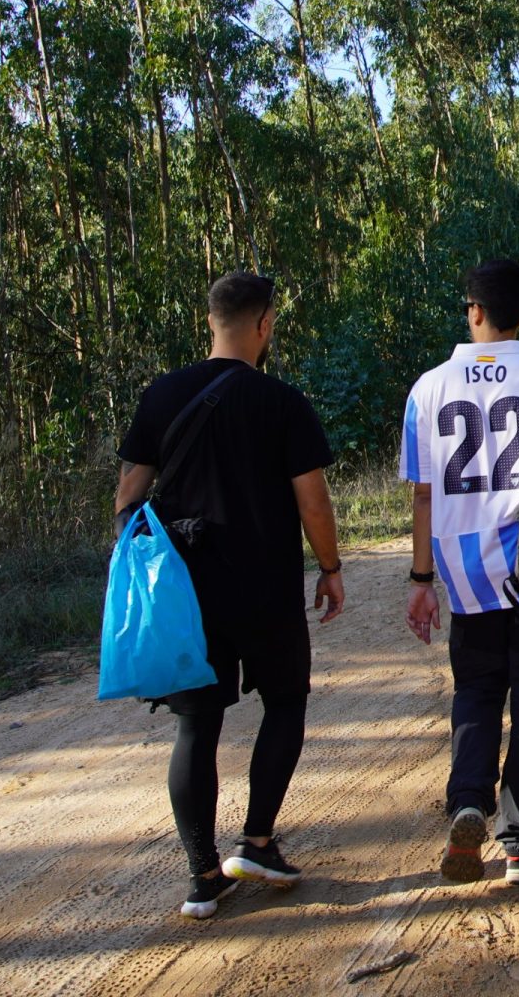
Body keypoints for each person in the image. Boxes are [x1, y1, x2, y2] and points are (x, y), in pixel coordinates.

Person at [114, 271, 343, 921]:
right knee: (286, 701)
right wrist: (329, 567)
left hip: (189, 589)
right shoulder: (282, 401)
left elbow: (128, 498)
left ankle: (202, 876)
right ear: (265, 323)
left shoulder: (161, 395)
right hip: (266, 584)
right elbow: (313, 500)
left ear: (210, 321)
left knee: (197, 725)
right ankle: (259, 841)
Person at [402, 258, 519, 887]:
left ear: (473, 310)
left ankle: (466, 801)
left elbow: (424, 494)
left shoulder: (428, 388)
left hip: (464, 577)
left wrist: (422, 581)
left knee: (476, 691)